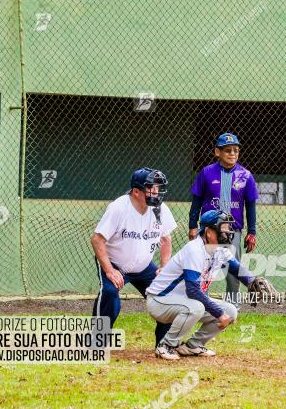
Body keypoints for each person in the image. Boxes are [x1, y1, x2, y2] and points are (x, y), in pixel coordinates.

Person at [147, 210, 267, 360]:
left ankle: (193, 345)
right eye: (223, 229)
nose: (228, 232)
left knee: (230, 310)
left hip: (182, 301)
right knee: (198, 307)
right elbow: (193, 291)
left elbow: (236, 269)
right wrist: (218, 313)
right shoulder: (194, 250)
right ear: (209, 232)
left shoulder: (219, 250)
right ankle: (165, 346)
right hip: (160, 300)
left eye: (228, 228)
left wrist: (253, 281)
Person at [92, 168, 176, 346]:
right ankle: (97, 341)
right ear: (136, 191)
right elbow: (97, 240)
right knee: (110, 293)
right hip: (115, 263)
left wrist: (164, 267)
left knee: (168, 295)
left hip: (144, 266)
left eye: (157, 188)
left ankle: (164, 344)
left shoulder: (159, 209)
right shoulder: (119, 208)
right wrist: (109, 271)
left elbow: (166, 239)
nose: (156, 192)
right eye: (151, 188)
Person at [188, 133, 259, 305]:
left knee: (232, 273)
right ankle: (199, 302)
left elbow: (250, 206)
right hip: (208, 231)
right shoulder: (206, 173)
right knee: (202, 268)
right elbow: (196, 202)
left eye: (236, 150)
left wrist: (252, 232)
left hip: (232, 232)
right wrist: (192, 226)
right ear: (217, 152)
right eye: (228, 150)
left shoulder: (246, 175)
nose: (233, 154)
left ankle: (232, 305)